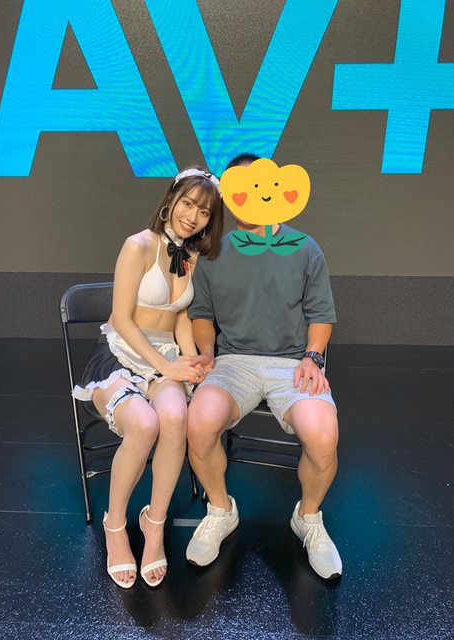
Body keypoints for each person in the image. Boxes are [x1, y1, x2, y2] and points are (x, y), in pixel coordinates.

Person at [186, 153, 342, 580]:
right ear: (230, 195)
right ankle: (221, 509)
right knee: (198, 423)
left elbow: (321, 314)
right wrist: (207, 352)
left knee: (323, 436)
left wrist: (313, 356)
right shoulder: (213, 253)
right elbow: (201, 313)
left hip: (291, 363)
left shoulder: (305, 248)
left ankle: (308, 518)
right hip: (233, 361)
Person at [73, 167, 223, 588]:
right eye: (188, 204)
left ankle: (154, 524)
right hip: (120, 353)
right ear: (170, 200)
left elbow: (180, 319)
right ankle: (115, 524)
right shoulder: (137, 245)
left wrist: (192, 362)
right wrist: (167, 366)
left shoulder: (191, 257)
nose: (193, 217)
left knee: (175, 417)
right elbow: (122, 319)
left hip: (166, 357)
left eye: (204, 212)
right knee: (143, 424)